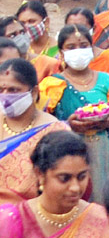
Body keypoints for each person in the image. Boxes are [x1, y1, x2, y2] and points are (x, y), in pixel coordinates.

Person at [39, 24, 109, 198]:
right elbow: (43, 127)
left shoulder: (107, 81)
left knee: (104, 202)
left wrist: (108, 123)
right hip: (66, 154)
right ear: (61, 52)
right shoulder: (52, 84)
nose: (78, 51)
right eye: (71, 47)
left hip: (104, 152)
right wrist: (67, 125)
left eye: (83, 46)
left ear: (92, 49)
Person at [0, 59, 65, 204]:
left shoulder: (54, 131)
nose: (5, 96)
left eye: (13, 90)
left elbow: (61, 184)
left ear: (34, 92)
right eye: (0, 90)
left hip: (32, 216)